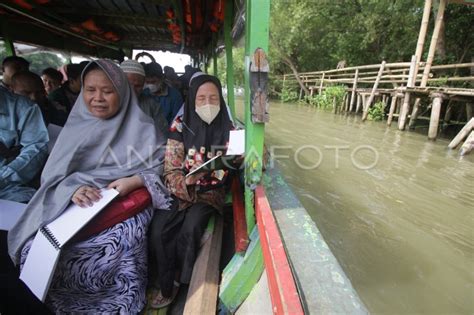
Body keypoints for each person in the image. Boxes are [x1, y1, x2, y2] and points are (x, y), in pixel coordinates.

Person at [7, 60, 170, 313]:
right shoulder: (75, 127)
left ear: (123, 93)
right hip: (75, 205)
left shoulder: (144, 129)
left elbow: (163, 165)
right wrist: (72, 190)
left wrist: (134, 181)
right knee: (36, 243)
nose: (98, 98)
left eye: (107, 91)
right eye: (90, 90)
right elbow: (52, 177)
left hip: (124, 203)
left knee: (119, 240)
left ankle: (116, 305)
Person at [148, 74, 233, 308]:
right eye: (201, 98)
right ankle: (165, 280)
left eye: (213, 98)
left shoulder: (230, 128)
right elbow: (171, 168)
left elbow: (241, 162)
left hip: (209, 193)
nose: (208, 104)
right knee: (159, 230)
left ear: (221, 100)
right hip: (180, 191)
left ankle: (178, 280)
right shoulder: (179, 125)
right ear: (192, 99)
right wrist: (186, 181)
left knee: (192, 227)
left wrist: (243, 157)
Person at [0, 85, 48, 202]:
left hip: (9, 186)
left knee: (30, 202)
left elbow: (37, 147)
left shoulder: (23, 108)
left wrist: (4, 177)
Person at [120, 59, 169, 137]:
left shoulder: (152, 106)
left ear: (143, 85)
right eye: (128, 85)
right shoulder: (106, 103)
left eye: (138, 86)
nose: (132, 90)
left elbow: (163, 134)